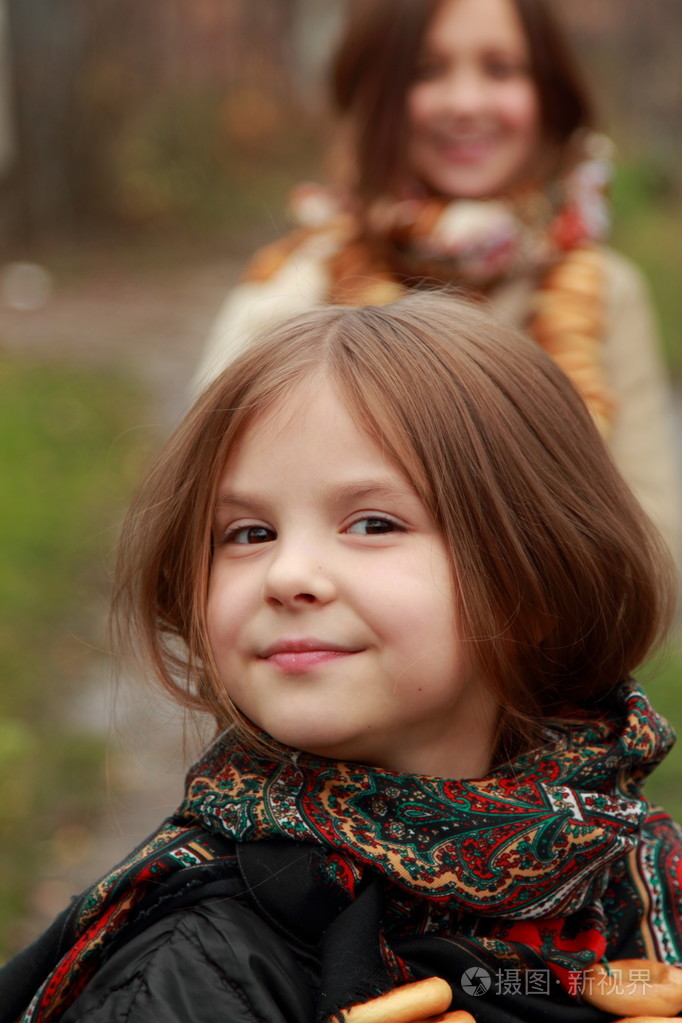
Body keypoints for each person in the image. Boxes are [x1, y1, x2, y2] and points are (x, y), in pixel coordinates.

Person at [2, 293, 682, 1023]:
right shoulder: (198, 962)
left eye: (373, 522)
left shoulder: (623, 869)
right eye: (248, 532)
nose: (289, 574)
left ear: (536, 583)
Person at [190, 0, 679, 560]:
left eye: (501, 69)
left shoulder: (604, 293)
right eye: (426, 71)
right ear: (373, 93)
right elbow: (213, 536)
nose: (465, 103)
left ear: (551, 95)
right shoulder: (297, 289)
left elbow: (652, 554)